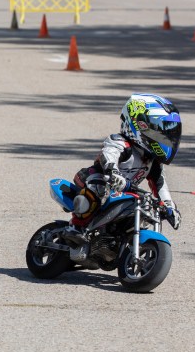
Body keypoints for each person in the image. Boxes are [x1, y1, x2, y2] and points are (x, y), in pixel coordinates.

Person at [65, 94, 182, 261]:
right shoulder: (121, 142)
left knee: (148, 206)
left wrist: (169, 207)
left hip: (125, 191)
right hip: (97, 179)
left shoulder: (152, 161)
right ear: (139, 124)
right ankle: (76, 228)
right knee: (99, 187)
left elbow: (160, 184)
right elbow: (108, 155)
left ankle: (122, 241)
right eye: (161, 132)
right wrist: (113, 172)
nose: (166, 138)